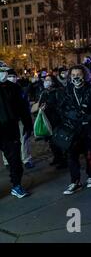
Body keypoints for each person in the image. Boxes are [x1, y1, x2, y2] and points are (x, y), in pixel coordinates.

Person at [59, 65, 91, 195]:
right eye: (73, 75)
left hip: (89, 128)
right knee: (71, 155)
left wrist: (90, 116)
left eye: (78, 74)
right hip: (73, 129)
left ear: (84, 75)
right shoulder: (67, 90)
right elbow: (61, 108)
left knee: (89, 153)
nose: (76, 77)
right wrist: (70, 115)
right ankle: (75, 181)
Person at [0, 62, 33, 198]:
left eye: (5, 71)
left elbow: (23, 108)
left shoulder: (14, 88)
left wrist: (27, 124)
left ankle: (16, 185)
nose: (4, 74)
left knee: (15, 160)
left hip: (10, 129)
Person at [2, 69, 34, 169]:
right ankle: (7, 161)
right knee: (7, 142)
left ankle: (26, 159)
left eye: (14, 76)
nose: (12, 78)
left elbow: (24, 105)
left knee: (24, 138)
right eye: (10, 76)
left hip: (19, 119)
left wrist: (27, 121)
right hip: (6, 121)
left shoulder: (18, 88)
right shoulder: (3, 89)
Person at [38, 75, 66, 168]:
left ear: (53, 82)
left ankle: (63, 161)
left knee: (58, 140)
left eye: (48, 80)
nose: (46, 82)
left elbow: (62, 105)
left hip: (57, 120)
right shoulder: (44, 92)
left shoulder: (58, 91)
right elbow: (40, 103)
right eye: (45, 80)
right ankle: (57, 157)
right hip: (47, 119)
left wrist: (50, 105)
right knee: (51, 141)